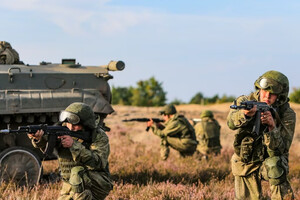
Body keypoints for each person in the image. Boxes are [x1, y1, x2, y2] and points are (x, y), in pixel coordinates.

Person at [227, 70, 295, 200]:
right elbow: (230, 123)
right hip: (246, 159)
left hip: (271, 159)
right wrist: (245, 114)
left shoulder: (287, 114)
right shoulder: (245, 101)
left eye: (272, 93)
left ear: (280, 96)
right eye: (264, 91)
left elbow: (282, 149)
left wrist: (272, 127)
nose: (267, 96)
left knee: (275, 165)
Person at [28, 102, 113, 200]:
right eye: (68, 123)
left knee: (77, 173)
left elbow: (98, 163)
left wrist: (74, 145)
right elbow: (45, 144)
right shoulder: (61, 129)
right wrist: (39, 139)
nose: (71, 127)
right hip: (70, 183)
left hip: (96, 182)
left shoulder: (98, 136)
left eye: (75, 125)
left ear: (86, 124)